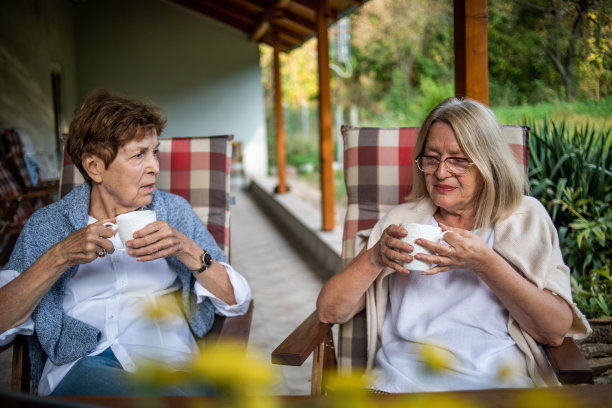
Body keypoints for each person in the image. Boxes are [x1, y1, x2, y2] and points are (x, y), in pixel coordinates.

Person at [317, 97, 590, 392]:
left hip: (497, 387)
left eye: (459, 160)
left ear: (488, 163)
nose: (441, 172)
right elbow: (330, 312)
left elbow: (554, 330)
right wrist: (374, 259)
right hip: (400, 385)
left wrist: (486, 263)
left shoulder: (524, 217)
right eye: (432, 158)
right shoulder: (402, 222)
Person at [0, 90, 252, 396]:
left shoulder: (173, 212)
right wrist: (59, 257)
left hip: (170, 365)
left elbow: (237, 301)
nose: (155, 167)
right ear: (94, 167)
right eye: (138, 155)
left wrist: (185, 248)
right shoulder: (49, 225)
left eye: (154, 152)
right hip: (83, 365)